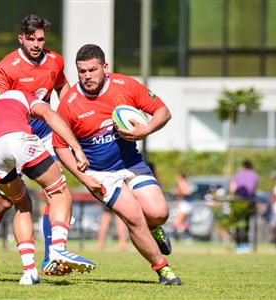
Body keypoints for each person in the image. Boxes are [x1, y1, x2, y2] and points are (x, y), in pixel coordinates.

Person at [53, 44, 182, 285]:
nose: (87, 76)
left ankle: (155, 229)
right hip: (99, 173)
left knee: (159, 213)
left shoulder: (126, 86)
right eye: (81, 71)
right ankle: (164, 270)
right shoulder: (70, 103)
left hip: (130, 162)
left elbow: (163, 111)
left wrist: (146, 130)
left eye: (92, 69)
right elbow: (60, 146)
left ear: (105, 67)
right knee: (133, 217)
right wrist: (83, 178)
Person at [0, 85, 95, 285]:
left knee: (22, 204)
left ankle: (29, 272)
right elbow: (49, 114)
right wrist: (76, 147)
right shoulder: (15, 94)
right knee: (58, 190)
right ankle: (58, 249)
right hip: (17, 139)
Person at [0, 14, 70, 274]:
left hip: (44, 135)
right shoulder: (7, 67)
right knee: (7, 201)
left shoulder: (55, 60)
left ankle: (52, 257)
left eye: (41, 39)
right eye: (32, 39)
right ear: (21, 38)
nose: (37, 44)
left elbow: (63, 87)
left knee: (54, 192)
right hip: (15, 137)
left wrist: (69, 115)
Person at [229, 159, 259, 254]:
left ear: (243, 166)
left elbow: (232, 189)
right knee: (247, 223)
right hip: (249, 201)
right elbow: (254, 190)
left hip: (238, 201)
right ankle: (246, 244)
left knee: (238, 223)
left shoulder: (238, 174)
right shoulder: (254, 175)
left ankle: (239, 245)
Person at [172, 172, 193, 241]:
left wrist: (179, 194)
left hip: (185, 204)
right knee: (183, 223)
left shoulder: (182, 183)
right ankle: (188, 238)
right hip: (186, 204)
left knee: (176, 222)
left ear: (181, 177)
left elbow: (187, 192)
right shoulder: (186, 183)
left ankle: (178, 238)